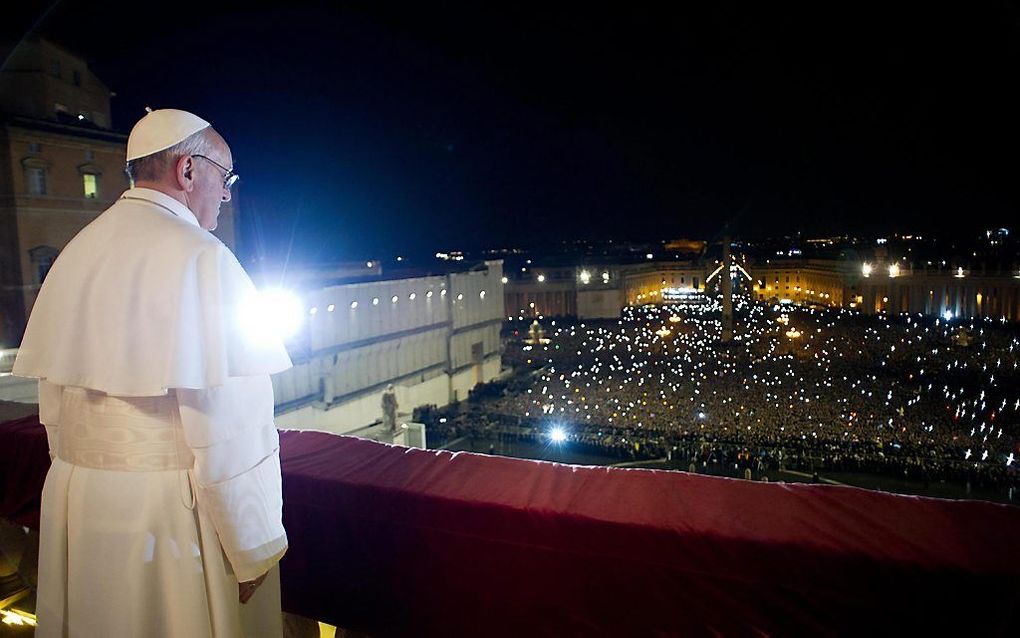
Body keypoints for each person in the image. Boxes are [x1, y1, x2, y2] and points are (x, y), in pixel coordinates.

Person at [14, 109, 293, 636]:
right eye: (224, 176)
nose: (227, 194)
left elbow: (53, 411)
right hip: (169, 520)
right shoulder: (202, 257)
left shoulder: (77, 250)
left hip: (80, 502)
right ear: (188, 171)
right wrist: (251, 544)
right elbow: (233, 427)